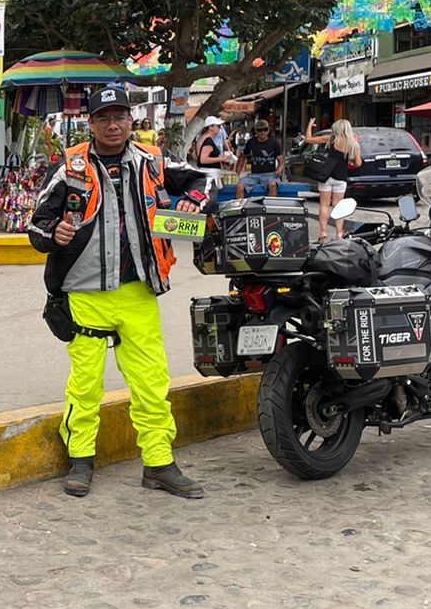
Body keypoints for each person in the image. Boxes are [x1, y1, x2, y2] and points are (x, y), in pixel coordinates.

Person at [28, 86, 208, 499]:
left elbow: (200, 179)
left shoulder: (153, 160)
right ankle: (81, 461)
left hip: (138, 291)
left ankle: (159, 464)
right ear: (90, 124)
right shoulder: (70, 169)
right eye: (104, 118)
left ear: (132, 120)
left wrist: (195, 200)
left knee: (151, 383)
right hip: (85, 293)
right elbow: (36, 224)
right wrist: (54, 234)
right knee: (86, 384)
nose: (113, 125)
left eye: (120, 116)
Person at [304, 117, 362, 241]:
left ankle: (323, 232)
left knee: (324, 204)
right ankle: (339, 233)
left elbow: (308, 139)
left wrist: (309, 125)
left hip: (327, 175)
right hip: (341, 178)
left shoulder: (332, 139)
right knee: (338, 206)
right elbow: (358, 163)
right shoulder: (354, 144)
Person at [235, 118, 283, 199]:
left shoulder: (274, 143)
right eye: (260, 130)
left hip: (270, 174)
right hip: (254, 175)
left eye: (265, 130)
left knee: (273, 185)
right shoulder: (251, 142)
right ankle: (240, 208)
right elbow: (242, 158)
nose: (262, 132)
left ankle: (271, 207)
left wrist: (279, 170)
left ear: (268, 130)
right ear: (256, 131)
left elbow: (281, 161)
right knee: (239, 186)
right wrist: (237, 173)